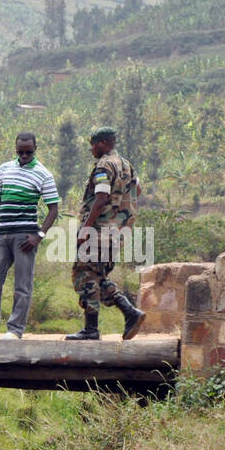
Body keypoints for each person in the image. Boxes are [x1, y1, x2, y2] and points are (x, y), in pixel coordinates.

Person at [0, 132, 59, 340]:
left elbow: (54, 209)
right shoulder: (4, 169)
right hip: (2, 234)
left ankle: (14, 330)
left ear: (35, 149)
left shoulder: (43, 174)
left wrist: (39, 235)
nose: (24, 156)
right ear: (15, 150)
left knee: (22, 285)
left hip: (25, 238)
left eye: (28, 152)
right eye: (20, 152)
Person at [66, 126, 146, 341]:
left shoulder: (104, 164)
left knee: (84, 275)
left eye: (93, 145)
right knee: (97, 276)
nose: (92, 150)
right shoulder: (126, 164)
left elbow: (101, 197)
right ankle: (130, 312)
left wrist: (86, 227)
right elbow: (137, 190)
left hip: (99, 230)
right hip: (118, 231)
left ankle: (91, 329)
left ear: (101, 143)